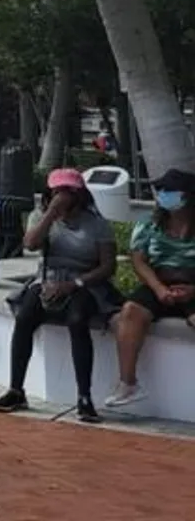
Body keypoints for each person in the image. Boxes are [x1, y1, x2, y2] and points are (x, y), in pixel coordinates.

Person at [0, 167, 120, 423]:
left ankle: (84, 396)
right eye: (57, 191)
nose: (62, 196)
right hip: (48, 278)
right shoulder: (41, 217)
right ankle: (16, 389)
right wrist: (50, 214)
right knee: (25, 316)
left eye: (67, 192)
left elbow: (108, 266)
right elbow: (29, 244)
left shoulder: (96, 224)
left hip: (84, 282)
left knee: (77, 319)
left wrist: (74, 284)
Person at [106, 167, 195, 409]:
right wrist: (158, 288)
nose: (163, 195)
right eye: (161, 190)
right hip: (159, 281)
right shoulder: (148, 224)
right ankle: (128, 383)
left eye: (170, 190)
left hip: (192, 283)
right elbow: (139, 260)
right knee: (131, 312)